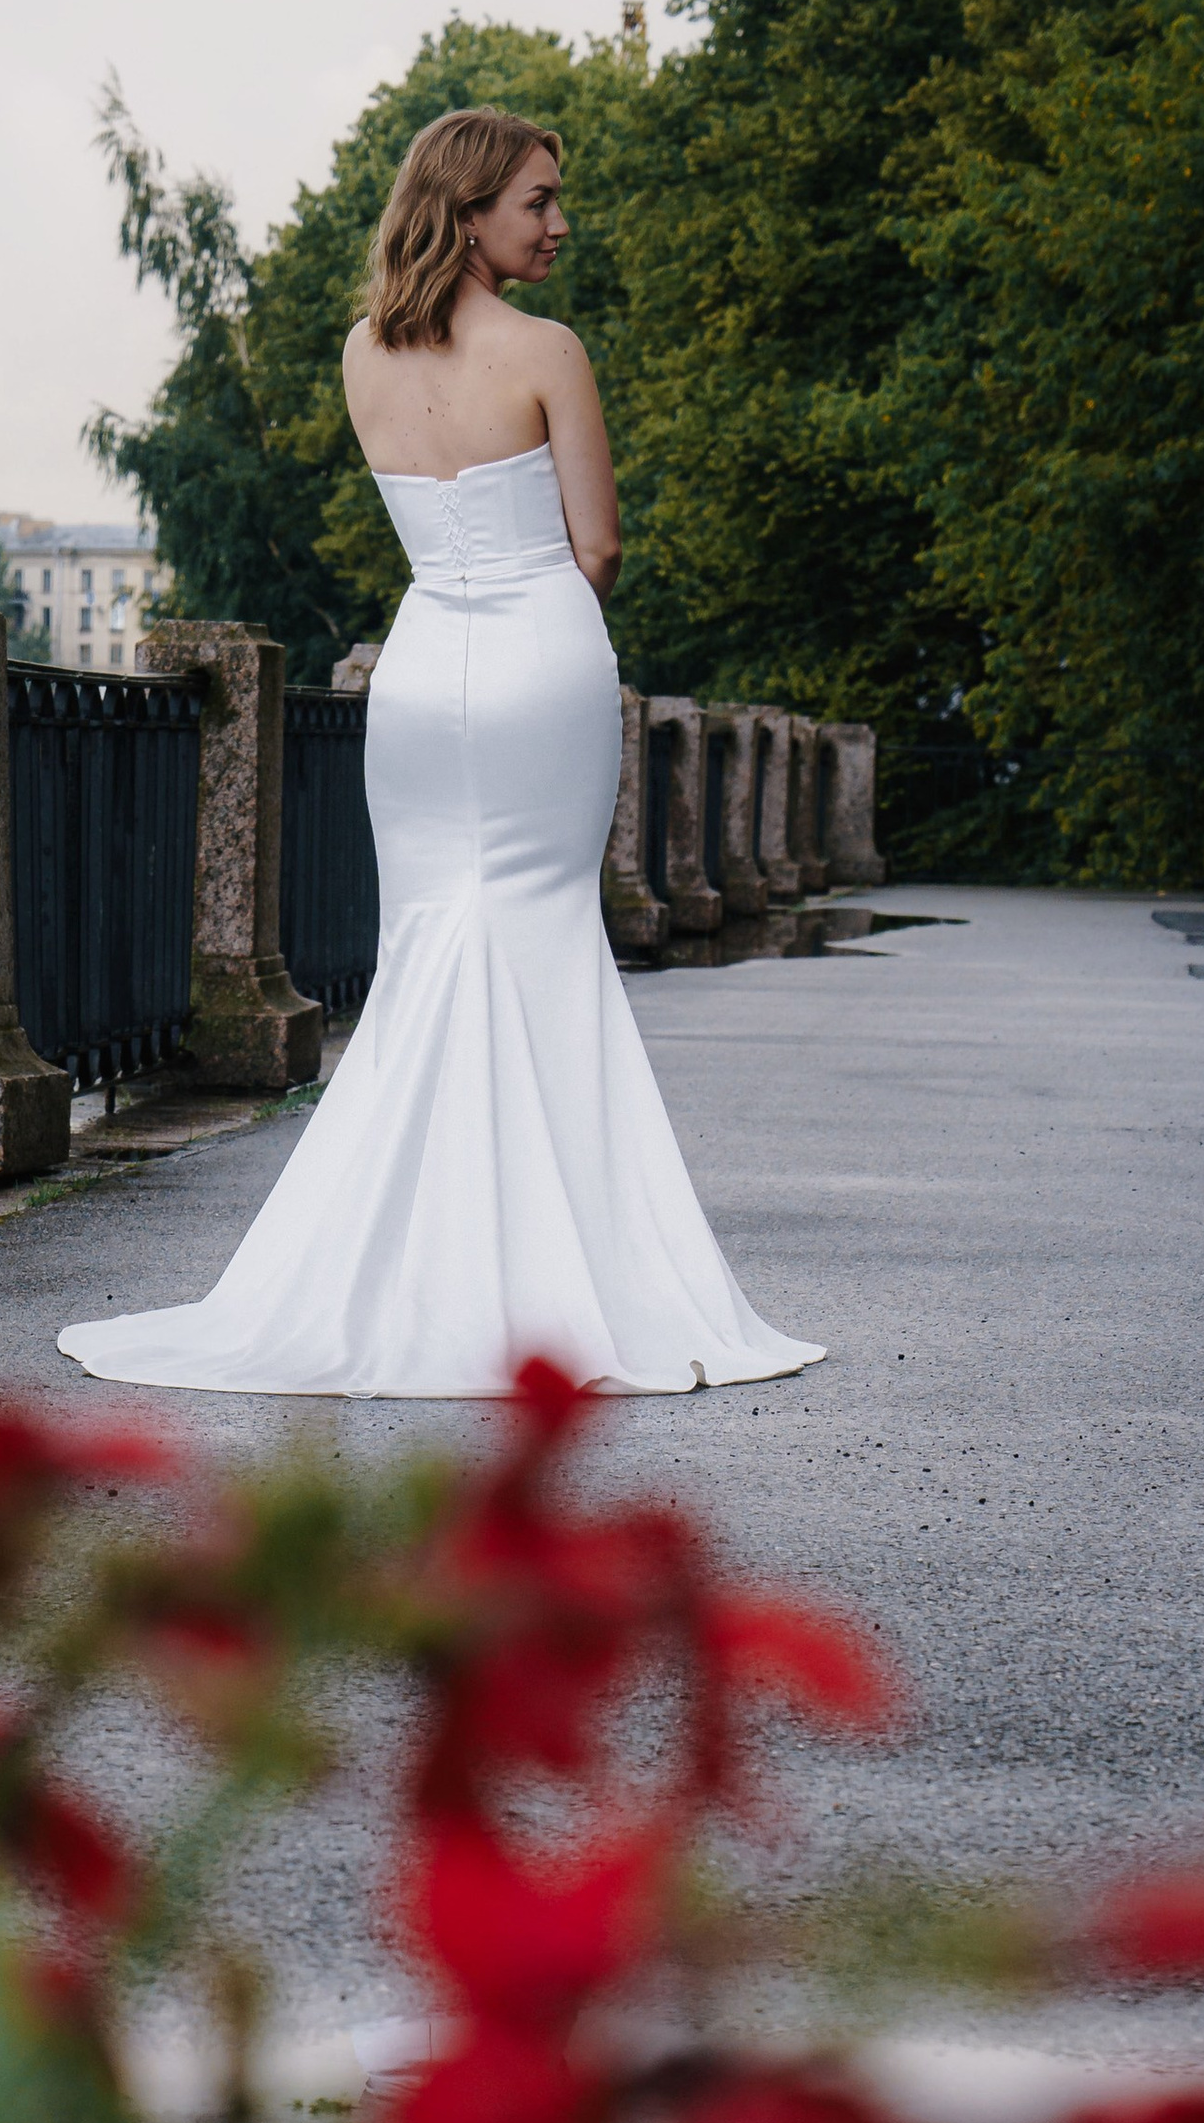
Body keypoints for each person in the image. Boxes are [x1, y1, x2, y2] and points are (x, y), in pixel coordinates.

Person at [57, 105, 821, 1400]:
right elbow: (599, 548)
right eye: (538, 199)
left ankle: (396, 1267)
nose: (559, 222)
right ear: (468, 210)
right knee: (537, 941)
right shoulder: (548, 352)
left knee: (428, 957)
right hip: (536, 655)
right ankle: (561, 1271)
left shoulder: (363, 353)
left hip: (419, 674)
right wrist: (542, 611)